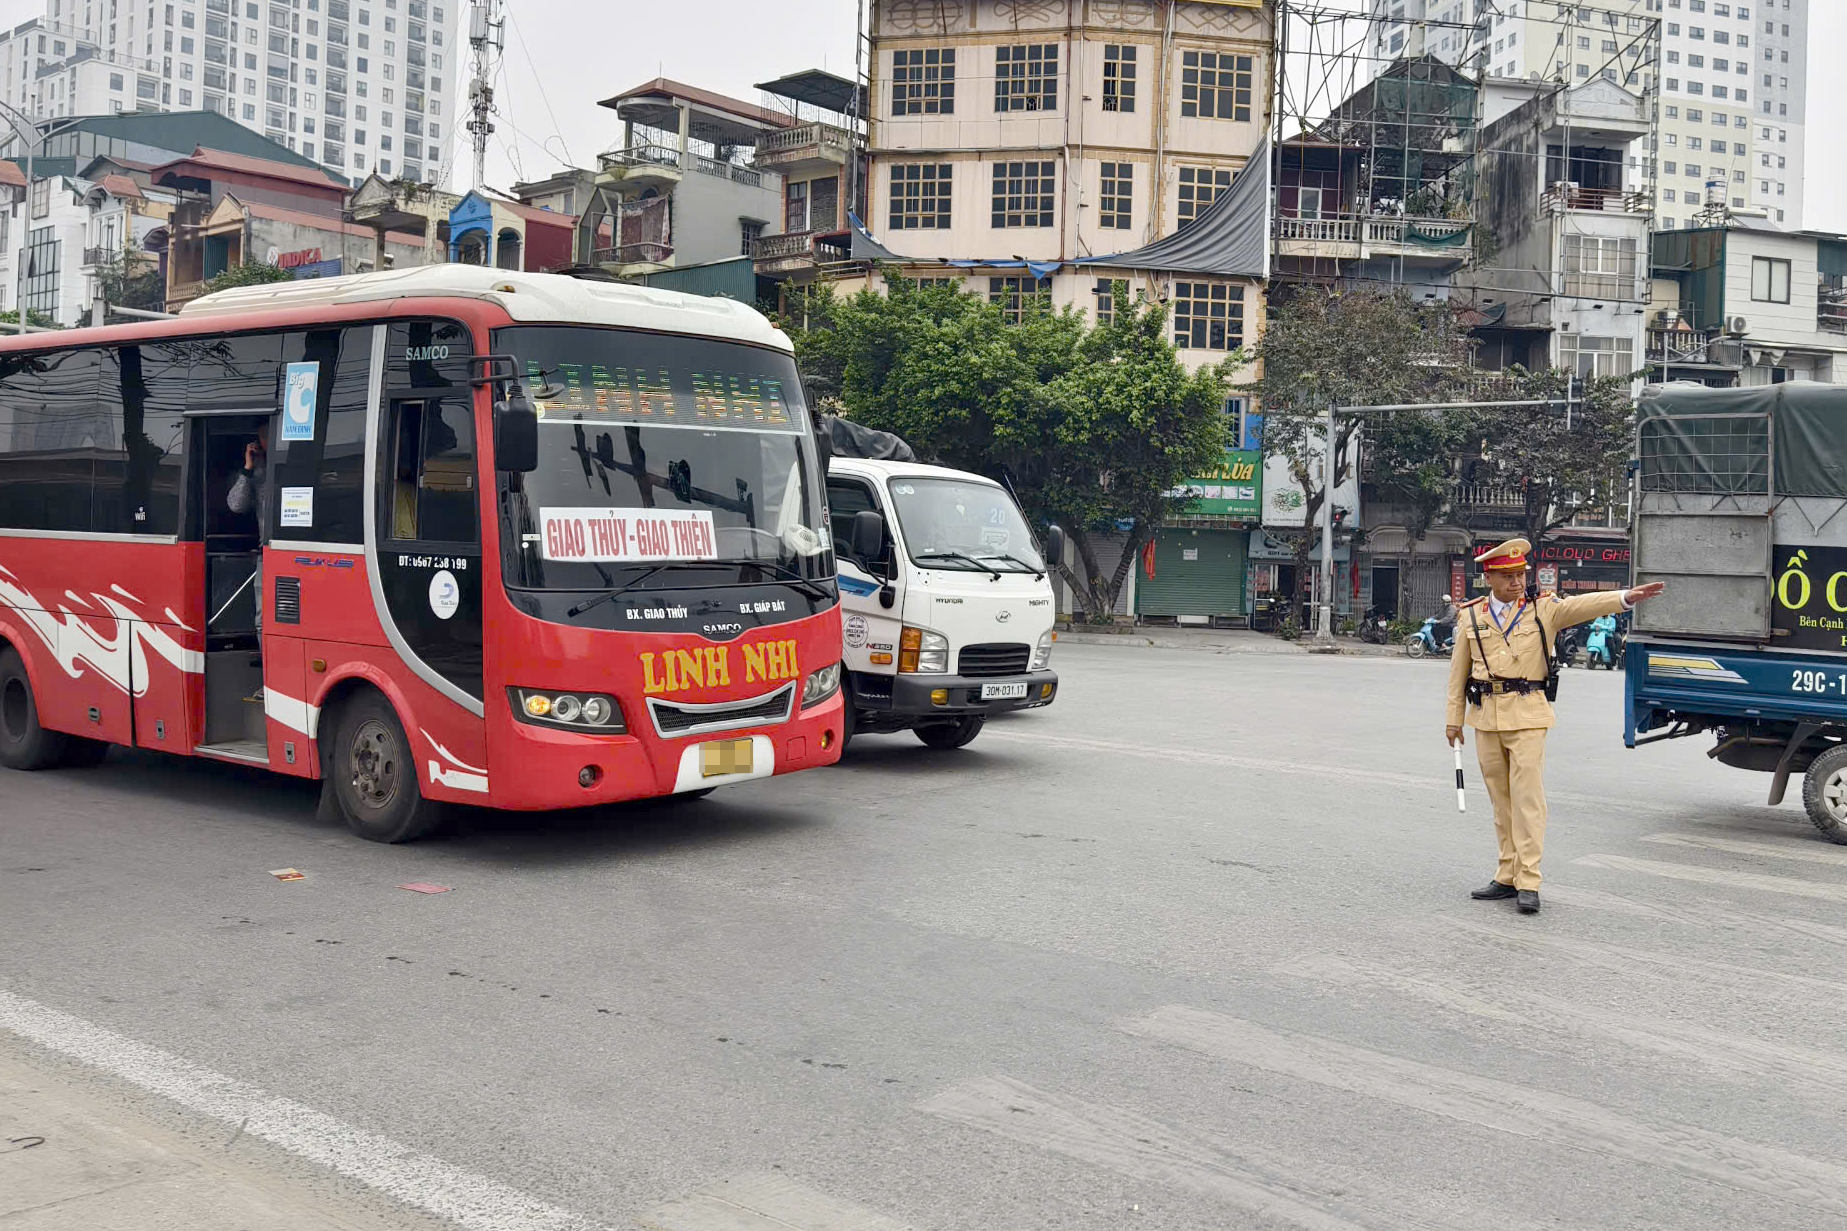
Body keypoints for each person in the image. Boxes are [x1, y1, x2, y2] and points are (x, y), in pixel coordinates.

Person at [1445, 538, 1664, 914]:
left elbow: (1582, 606)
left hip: (1528, 715)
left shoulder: (1542, 608)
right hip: (1485, 717)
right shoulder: (1471, 614)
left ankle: (1529, 880)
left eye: (1520, 575)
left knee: (1528, 800)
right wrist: (1453, 719)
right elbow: (1458, 671)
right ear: (1490, 577)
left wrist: (1626, 597)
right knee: (1501, 801)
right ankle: (1506, 875)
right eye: (1508, 576)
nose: (1516, 582)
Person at [226, 425, 269, 632]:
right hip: (266, 555)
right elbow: (236, 505)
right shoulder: (255, 470)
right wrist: (249, 468)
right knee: (263, 619)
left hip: (290, 548)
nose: (266, 440)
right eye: (263, 436)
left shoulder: (292, 462)